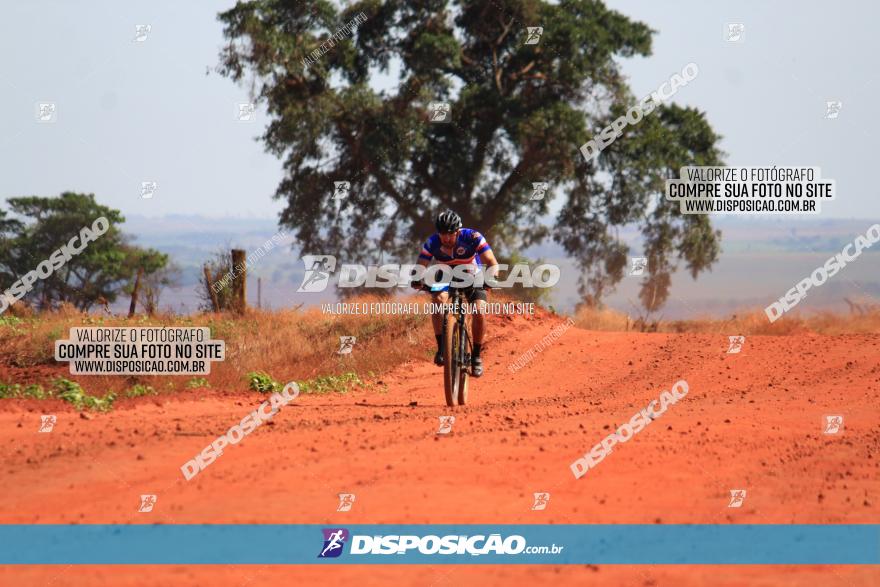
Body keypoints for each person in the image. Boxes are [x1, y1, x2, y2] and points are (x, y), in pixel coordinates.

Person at [411, 210, 498, 377]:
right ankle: (442, 348)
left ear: (458, 232)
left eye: (450, 235)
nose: (446, 239)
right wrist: (417, 278)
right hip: (445, 275)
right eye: (443, 235)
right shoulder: (432, 242)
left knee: (479, 311)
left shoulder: (472, 237)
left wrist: (491, 278)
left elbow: (492, 262)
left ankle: (476, 356)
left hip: (472, 274)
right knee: (437, 300)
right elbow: (421, 263)